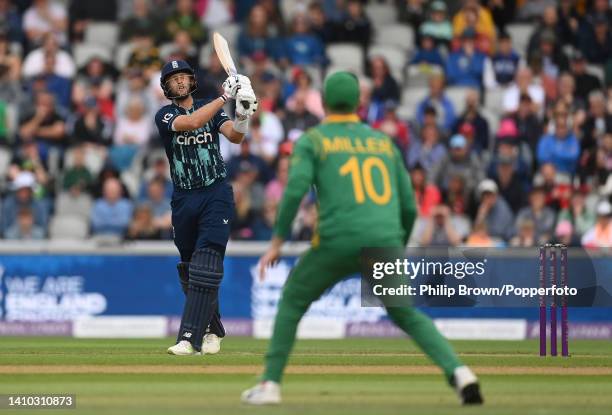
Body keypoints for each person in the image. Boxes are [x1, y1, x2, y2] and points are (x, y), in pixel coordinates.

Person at [241, 71, 483, 406]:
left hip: (336, 241)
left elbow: (295, 189)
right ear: (360, 104)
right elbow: (410, 205)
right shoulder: (384, 143)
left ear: (324, 103)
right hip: (383, 242)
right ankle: (459, 371)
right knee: (405, 313)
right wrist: (395, 239)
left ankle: (269, 384)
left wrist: (278, 241)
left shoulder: (313, 140)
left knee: (293, 300)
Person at [154, 59, 258, 356]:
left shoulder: (211, 110)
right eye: (174, 80)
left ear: (192, 80)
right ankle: (214, 329)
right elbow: (193, 122)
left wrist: (243, 112)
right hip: (184, 198)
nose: (180, 82)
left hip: (216, 193)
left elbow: (236, 137)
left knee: (207, 261)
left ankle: (189, 338)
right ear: (166, 87)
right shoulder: (165, 115)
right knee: (189, 269)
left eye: (184, 77)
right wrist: (225, 97)